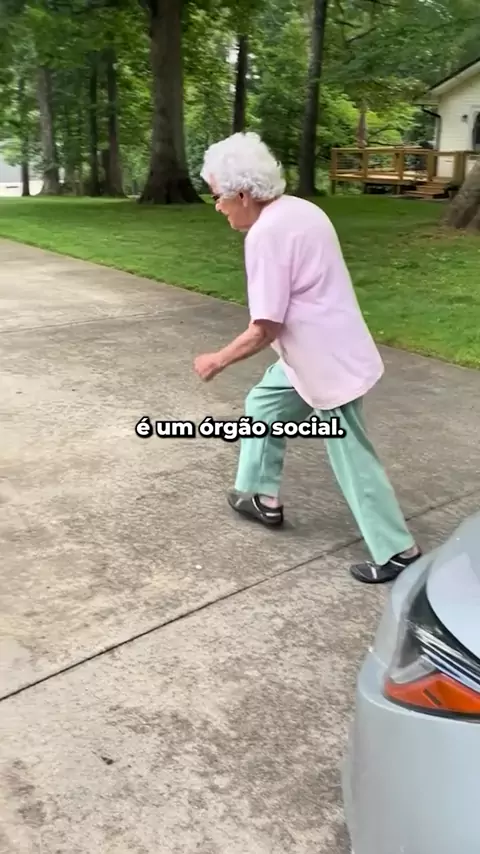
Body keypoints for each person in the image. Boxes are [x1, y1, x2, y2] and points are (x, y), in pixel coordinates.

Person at [193, 132, 421, 584]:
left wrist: (217, 359)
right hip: (317, 350)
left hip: (325, 361)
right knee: (265, 405)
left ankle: (398, 551)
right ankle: (259, 495)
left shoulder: (266, 235)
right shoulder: (300, 210)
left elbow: (264, 328)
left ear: (243, 195)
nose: (216, 206)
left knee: (350, 452)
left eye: (218, 197)